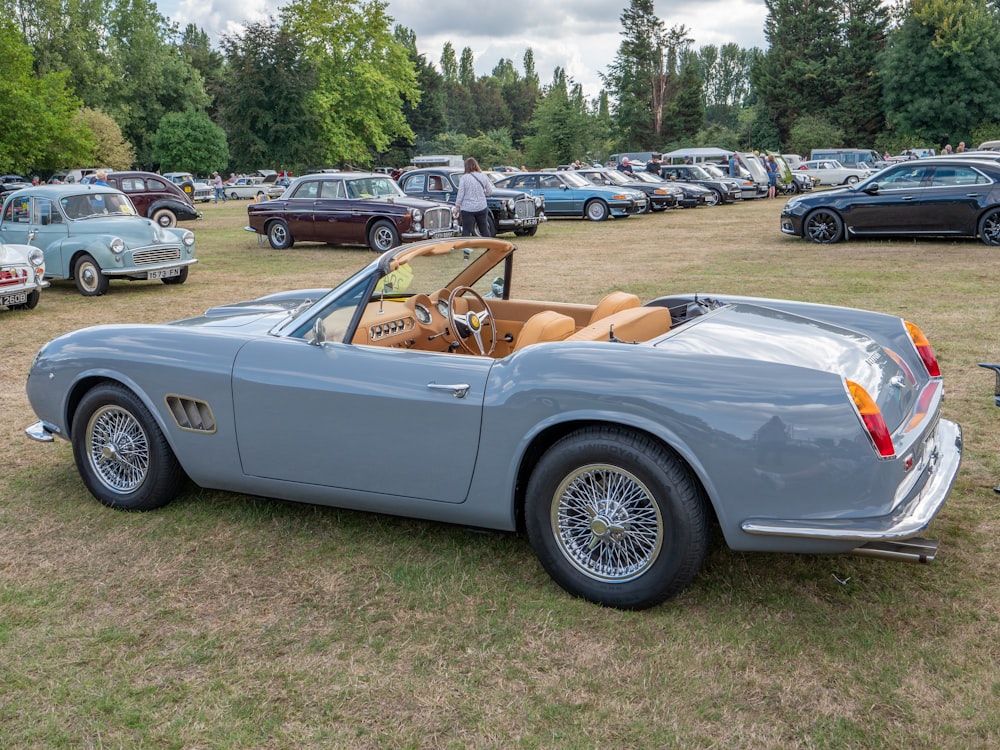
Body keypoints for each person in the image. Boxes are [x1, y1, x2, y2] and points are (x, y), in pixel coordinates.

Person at [454, 157, 493, 237]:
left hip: (467, 208)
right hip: (481, 206)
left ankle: (466, 248)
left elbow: (460, 194)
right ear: (476, 165)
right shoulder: (483, 176)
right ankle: (489, 246)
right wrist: (482, 194)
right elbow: (489, 192)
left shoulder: (464, 178)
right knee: (484, 229)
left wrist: (457, 207)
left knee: (466, 230)